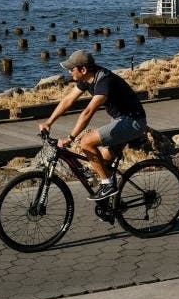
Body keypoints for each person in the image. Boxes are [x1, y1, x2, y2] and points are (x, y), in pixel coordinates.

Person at [39, 50, 147, 201]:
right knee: (103, 162)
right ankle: (114, 205)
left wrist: (70, 138)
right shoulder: (86, 79)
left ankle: (108, 185)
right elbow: (68, 100)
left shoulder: (104, 81)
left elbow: (88, 111)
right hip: (119, 120)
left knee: (86, 142)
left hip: (133, 122)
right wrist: (49, 122)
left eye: (72, 69)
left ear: (83, 70)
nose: (70, 72)